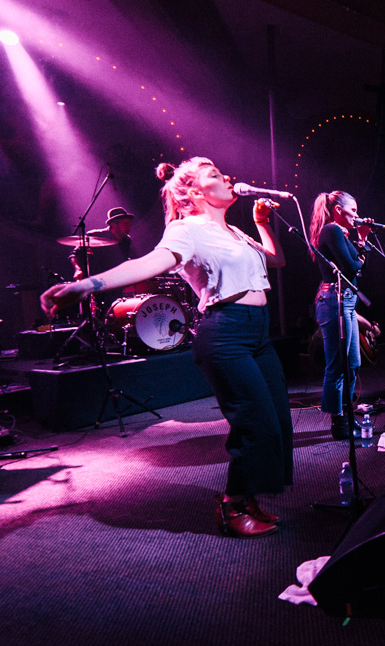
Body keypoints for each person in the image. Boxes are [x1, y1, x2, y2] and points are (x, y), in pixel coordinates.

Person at [40, 157, 291, 539]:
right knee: (254, 421)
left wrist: (260, 223)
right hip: (226, 333)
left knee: (277, 420)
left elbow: (277, 261)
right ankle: (233, 505)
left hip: (258, 331)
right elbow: (150, 263)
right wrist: (86, 285)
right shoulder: (186, 230)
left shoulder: (237, 232)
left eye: (223, 173)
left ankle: (250, 497)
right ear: (192, 193)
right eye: (214, 176)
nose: (226, 178)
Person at [309, 190, 373, 440]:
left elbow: (355, 265)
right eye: (353, 210)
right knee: (338, 366)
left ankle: (347, 416)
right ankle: (339, 423)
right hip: (334, 302)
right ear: (338, 210)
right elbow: (353, 266)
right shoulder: (332, 230)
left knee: (353, 363)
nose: (357, 215)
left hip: (345, 302)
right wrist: (362, 240)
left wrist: (360, 241)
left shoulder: (338, 233)